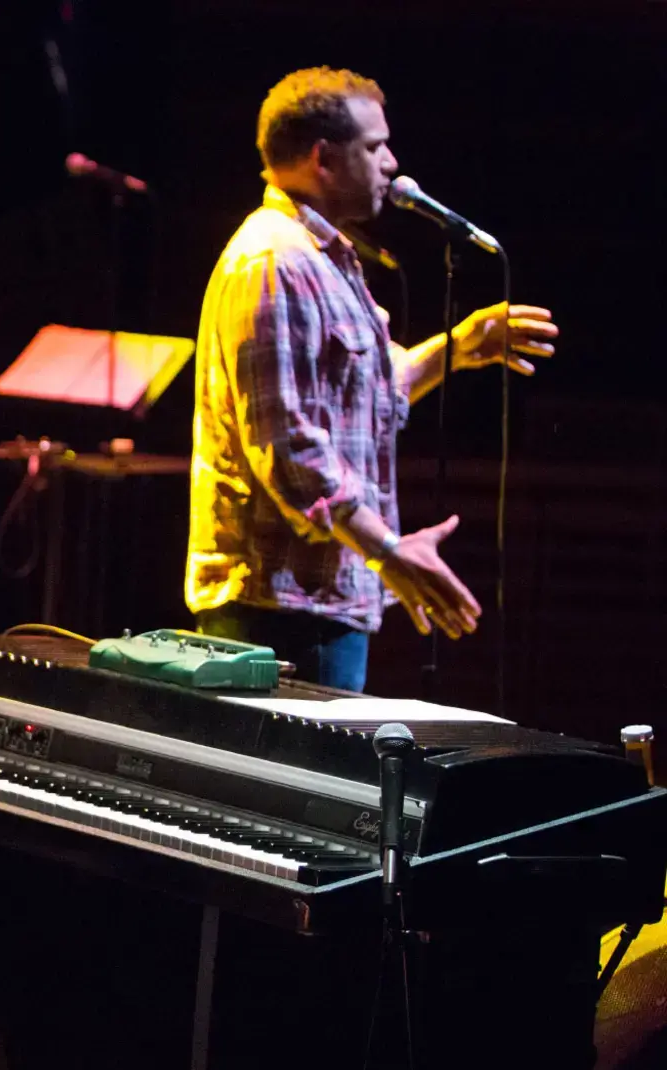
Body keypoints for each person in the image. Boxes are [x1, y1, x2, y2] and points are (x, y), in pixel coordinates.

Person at [187, 67, 558, 691]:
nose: (391, 164)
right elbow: (289, 449)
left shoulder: (319, 259)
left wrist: (459, 348)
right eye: (374, 147)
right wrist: (387, 549)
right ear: (323, 158)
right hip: (277, 614)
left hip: (317, 602)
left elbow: (368, 388)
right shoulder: (274, 261)